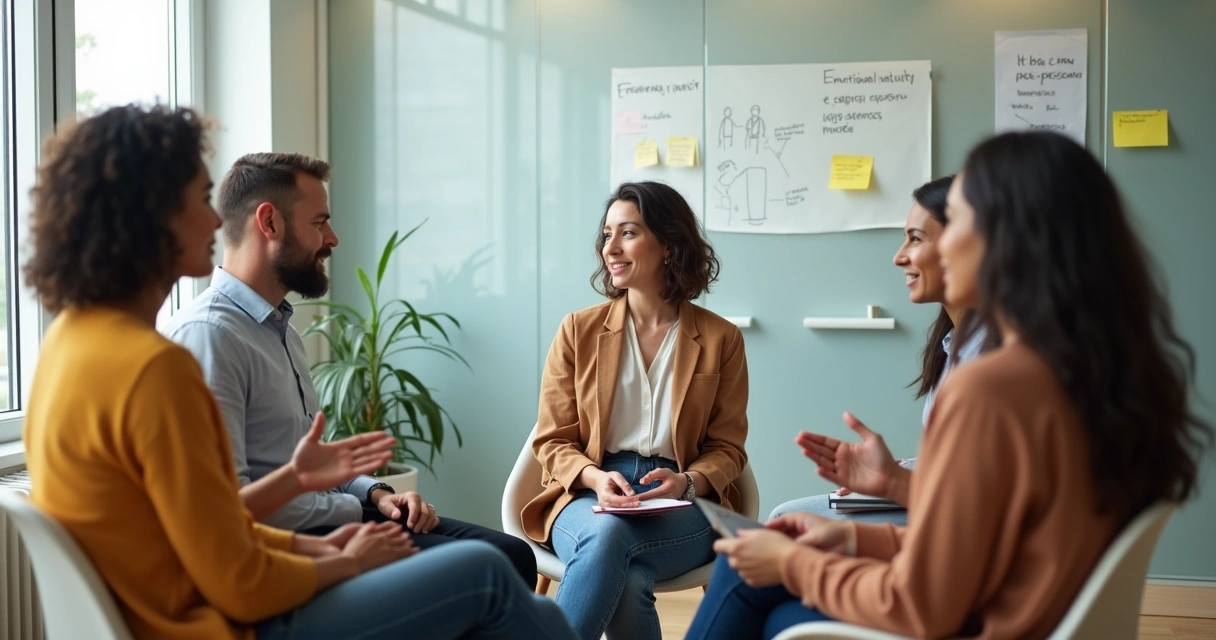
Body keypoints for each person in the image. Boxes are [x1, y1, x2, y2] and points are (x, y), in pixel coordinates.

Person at [22, 105, 576, 640]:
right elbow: (238, 581)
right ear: (152, 214)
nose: (214, 219)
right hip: (217, 624)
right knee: (485, 574)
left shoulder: (70, 344)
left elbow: (211, 527)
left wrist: (324, 540)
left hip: (190, 604)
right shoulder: (156, 367)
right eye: (198, 197)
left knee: (495, 566)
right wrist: (343, 561)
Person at [684, 131, 1213, 640]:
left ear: (1008, 239)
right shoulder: (1100, 374)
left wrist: (792, 563)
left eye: (955, 221)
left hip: (982, 622)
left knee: (749, 578)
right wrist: (850, 536)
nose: (920, 251)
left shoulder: (993, 386)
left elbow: (923, 604)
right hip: (1023, 614)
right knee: (772, 597)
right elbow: (987, 544)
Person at [162, 151, 537, 588]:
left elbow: (309, 462)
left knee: (512, 553)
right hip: (293, 542)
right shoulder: (210, 336)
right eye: (319, 222)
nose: (333, 239)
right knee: (491, 572)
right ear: (270, 223)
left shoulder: (280, 331)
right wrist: (356, 510)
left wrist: (377, 493)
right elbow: (228, 509)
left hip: (335, 517)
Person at [521, 181, 749, 640]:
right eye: (607, 235)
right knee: (610, 542)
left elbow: (728, 449)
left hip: (683, 499)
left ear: (668, 244)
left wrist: (686, 482)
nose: (610, 248)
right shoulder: (577, 330)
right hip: (586, 492)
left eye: (627, 233)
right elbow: (551, 439)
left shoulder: (721, 339)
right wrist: (595, 478)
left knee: (619, 566)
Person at [769, 176, 984, 526]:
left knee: (787, 522)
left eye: (915, 239)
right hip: (942, 503)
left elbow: (980, 492)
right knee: (786, 517)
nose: (899, 257)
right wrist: (897, 470)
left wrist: (895, 482)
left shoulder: (993, 362)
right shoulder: (954, 344)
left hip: (957, 522)